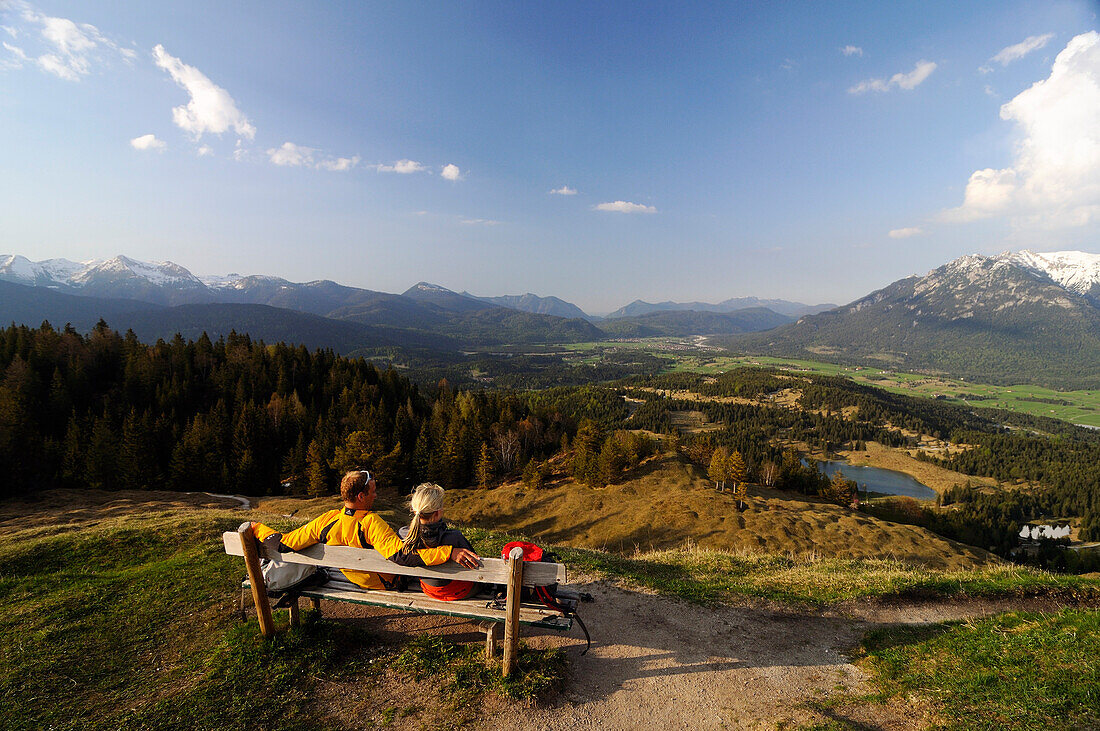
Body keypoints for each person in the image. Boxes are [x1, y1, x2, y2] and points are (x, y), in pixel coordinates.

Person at [250, 470, 480, 591]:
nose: (376, 495)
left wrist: (257, 528)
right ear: (360, 496)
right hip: (384, 581)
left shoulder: (327, 520)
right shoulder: (371, 523)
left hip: (354, 579)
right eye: (372, 491)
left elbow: (283, 543)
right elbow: (401, 556)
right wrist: (448, 552)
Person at [390, 482, 484, 600]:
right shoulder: (455, 537)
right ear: (438, 513)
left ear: (414, 511)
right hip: (458, 591)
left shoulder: (403, 534)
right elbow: (477, 566)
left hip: (429, 589)